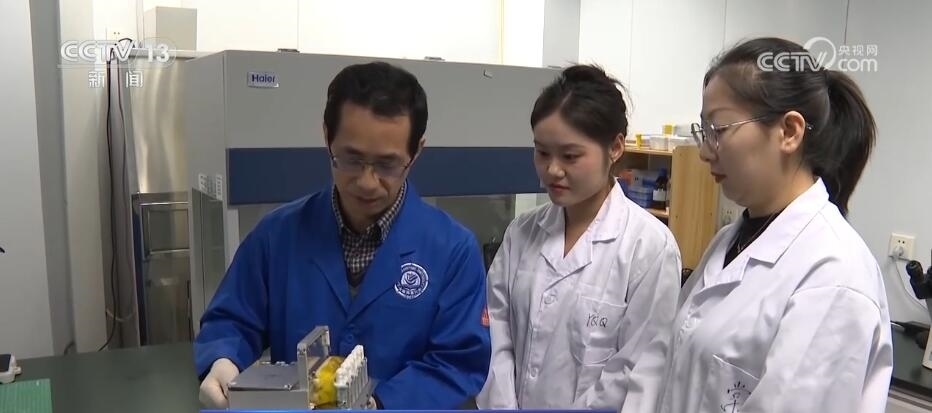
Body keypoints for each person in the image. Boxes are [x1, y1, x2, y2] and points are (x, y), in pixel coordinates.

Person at [194, 61, 491, 410]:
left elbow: (456, 361)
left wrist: (378, 404)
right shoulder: (277, 236)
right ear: (327, 137)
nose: (367, 182)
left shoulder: (453, 251)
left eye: (387, 165)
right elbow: (231, 320)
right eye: (351, 159)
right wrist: (222, 361)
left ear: (416, 152)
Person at [621, 37, 892, 413]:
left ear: (789, 132)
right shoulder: (729, 241)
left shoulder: (834, 274)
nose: (704, 151)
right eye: (704, 132)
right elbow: (664, 365)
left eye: (719, 130)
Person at [476, 65, 683, 409]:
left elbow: (636, 373)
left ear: (615, 147)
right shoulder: (521, 233)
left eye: (570, 156)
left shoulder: (649, 248)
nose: (552, 169)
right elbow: (496, 338)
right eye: (542, 152)